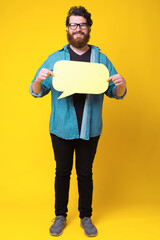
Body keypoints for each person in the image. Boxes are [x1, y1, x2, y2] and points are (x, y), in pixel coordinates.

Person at [29, 6, 127, 237]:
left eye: (82, 24)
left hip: (90, 128)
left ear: (89, 28)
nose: (78, 29)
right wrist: (38, 79)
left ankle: (86, 216)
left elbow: (116, 93)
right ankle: (60, 215)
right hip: (61, 127)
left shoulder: (101, 59)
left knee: (85, 173)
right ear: (67, 28)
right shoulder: (56, 58)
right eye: (73, 24)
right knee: (62, 172)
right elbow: (36, 91)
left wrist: (121, 83)